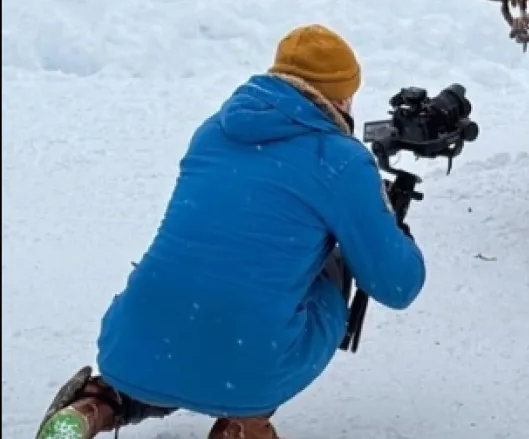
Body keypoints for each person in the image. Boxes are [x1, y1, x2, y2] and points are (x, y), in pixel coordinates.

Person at [36, 25, 428, 439]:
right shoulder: (340, 160)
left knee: (193, 309)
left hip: (132, 343)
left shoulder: (212, 132)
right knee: (332, 264)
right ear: (342, 97)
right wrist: (387, 227)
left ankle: (95, 407)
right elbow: (396, 285)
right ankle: (243, 422)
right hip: (248, 363)